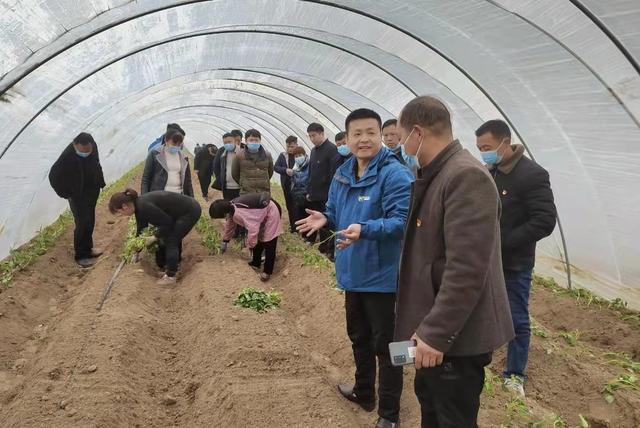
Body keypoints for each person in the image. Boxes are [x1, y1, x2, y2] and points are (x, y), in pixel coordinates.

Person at [393, 96, 514, 428]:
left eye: (401, 137)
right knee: (431, 407)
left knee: (452, 418)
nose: (401, 146)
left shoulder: (464, 176)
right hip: (434, 332)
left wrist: (434, 333)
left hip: (454, 341)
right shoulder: (437, 173)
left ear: (417, 133)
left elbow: (467, 268)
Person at [297, 109, 413, 428]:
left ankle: (390, 414)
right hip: (352, 273)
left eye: (370, 132)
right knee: (358, 335)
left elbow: (402, 223)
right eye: (357, 134)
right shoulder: (343, 172)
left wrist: (364, 228)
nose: (363, 139)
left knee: (390, 346)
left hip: (385, 277)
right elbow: (335, 211)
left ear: (382, 136)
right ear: (347, 139)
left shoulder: (395, 174)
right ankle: (364, 392)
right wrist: (325, 218)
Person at [475, 119, 557, 396]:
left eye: (486, 147)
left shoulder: (531, 175)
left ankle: (514, 374)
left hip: (513, 262)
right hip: (486, 259)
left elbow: (544, 221)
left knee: (516, 317)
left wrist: (503, 243)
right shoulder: (492, 171)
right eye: (480, 148)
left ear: (505, 143)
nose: (483, 153)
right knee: (483, 309)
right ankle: (480, 357)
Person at [109, 189, 201, 285]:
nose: (121, 215)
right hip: (181, 211)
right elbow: (141, 228)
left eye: (119, 212)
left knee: (171, 239)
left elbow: (167, 223)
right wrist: (136, 250)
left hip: (189, 211)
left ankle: (170, 276)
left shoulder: (144, 207)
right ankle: (171, 267)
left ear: (124, 206)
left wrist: (154, 237)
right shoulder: (138, 207)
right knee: (166, 236)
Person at [49, 132, 106, 268]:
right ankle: (81, 255)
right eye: (82, 151)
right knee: (82, 223)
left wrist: (100, 182)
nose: (86, 153)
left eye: (88, 150)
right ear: (75, 145)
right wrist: (66, 193)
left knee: (90, 219)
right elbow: (53, 176)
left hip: (91, 190)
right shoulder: (67, 156)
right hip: (76, 194)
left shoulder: (92, 146)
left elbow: (97, 164)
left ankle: (88, 249)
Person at [210, 193, 283, 282]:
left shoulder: (238, 212)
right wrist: (225, 240)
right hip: (261, 215)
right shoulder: (231, 208)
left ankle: (267, 272)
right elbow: (230, 225)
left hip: (270, 211)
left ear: (223, 213)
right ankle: (256, 263)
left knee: (269, 242)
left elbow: (253, 228)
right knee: (259, 239)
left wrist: (250, 244)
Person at [306, 122, 339, 254]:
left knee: (327, 223)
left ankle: (328, 249)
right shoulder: (313, 151)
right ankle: (321, 245)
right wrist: (309, 191)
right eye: (309, 136)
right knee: (317, 220)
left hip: (327, 196)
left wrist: (332, 195)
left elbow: (333, 175)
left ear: (321, 133)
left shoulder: (331, 150)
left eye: (314, 135)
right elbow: (311, 173)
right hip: (315, 195)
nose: (312, 139)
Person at [141, 130, 194, 197]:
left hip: (179, 197)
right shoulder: (154, 154)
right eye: (174, 143)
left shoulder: (184, 158)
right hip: (158, 197)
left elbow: (188, 182)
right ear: (166, 140)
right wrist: (145, 198)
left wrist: (192, 200)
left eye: (179, 144)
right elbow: (146, 178)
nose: (176, 146)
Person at [231, 129, 274, 195]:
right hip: (246, 192)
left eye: (256, 140)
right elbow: (234, 174)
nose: (254, 142)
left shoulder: (267, 155)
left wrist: (264, 182)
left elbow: (270, 172)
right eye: (251, 140)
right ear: (246, 141)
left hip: (264, 191)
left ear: (260, 141)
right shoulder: (239, 155)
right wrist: (243, 183)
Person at [274, 136, 299, 232]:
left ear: (296, 145)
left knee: (298, 206)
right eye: (288, 147)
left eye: (292, 146)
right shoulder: (283, 155)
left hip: (298, 186)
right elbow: (276, 167)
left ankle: (299, 226)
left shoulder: (300, 155)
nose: (290, 149)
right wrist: (285, 170)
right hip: (286, 185)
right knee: (290, 206)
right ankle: (293, 227)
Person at [212, 133, 242, 200]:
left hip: (240, 187)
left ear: (235, 141)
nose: (227, 144)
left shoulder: (242, 152)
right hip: (227, 188)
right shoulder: (222, 153)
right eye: (225, 143)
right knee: (228, 207)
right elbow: (217, 167)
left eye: (229, 142)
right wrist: (220, 179)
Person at [290, 146, 310, 226]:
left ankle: (310, 238)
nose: (298, 158)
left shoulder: (310, 166)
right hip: (298, 198)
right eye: (296, 156)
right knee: (301, 219)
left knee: (308, 219)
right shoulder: (295, 168)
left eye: (300, 155)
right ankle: (304, 237)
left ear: (305, 155)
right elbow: (293, 183)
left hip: (308, 198)